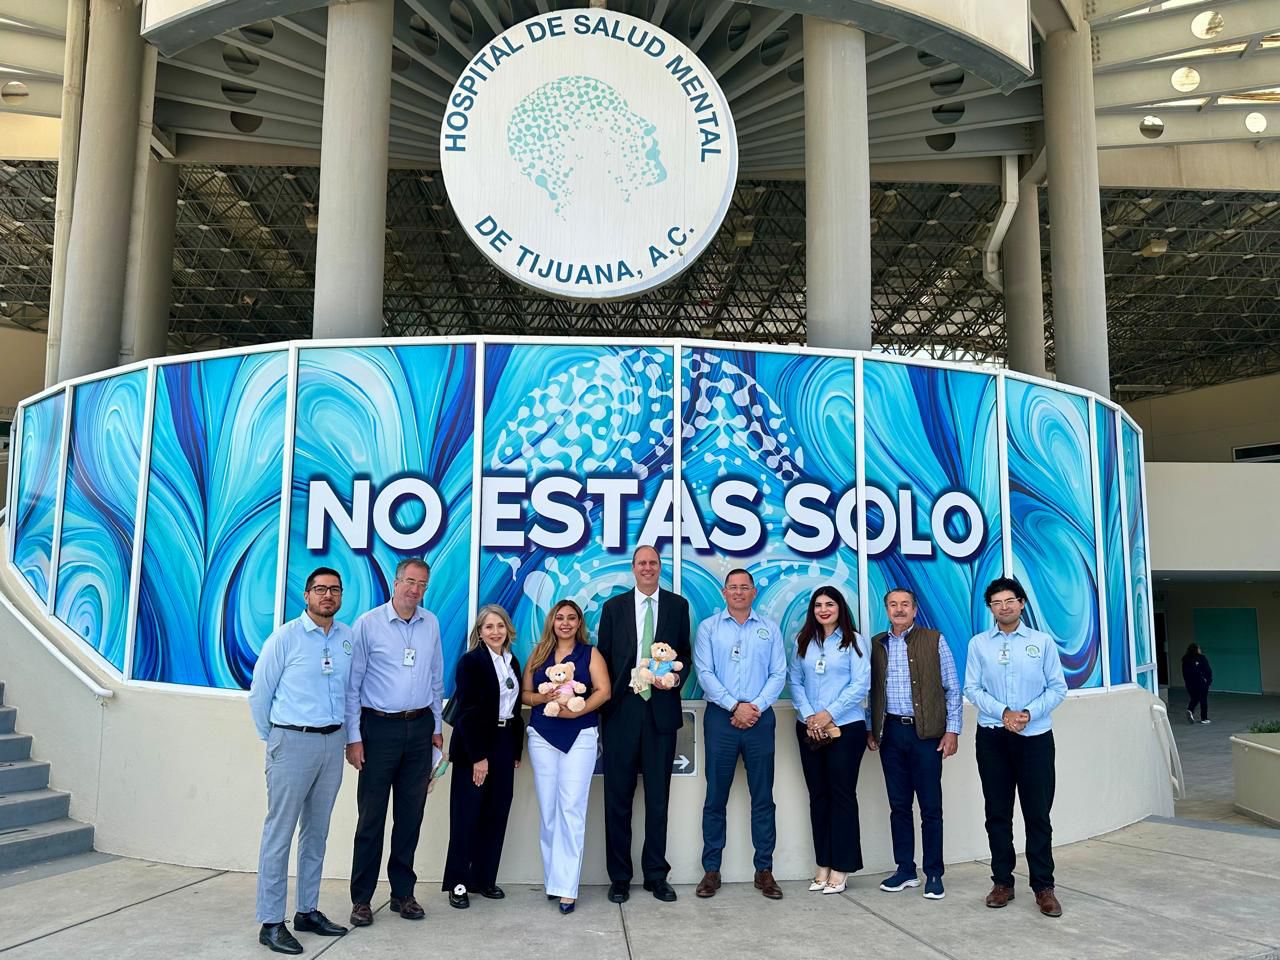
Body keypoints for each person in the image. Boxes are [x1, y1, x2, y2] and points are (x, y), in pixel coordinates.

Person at [248, 567, 353, 955]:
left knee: (316, 833)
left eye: (335, 590)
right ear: (307, 595)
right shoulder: (286, 638)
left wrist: (348, 738)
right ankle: (271, 921)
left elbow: (350, 693)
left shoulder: (346, 639)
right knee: (280, 834)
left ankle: (307, 910)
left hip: (332, 744)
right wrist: (275, 737)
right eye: (321, 589)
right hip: (292, 741)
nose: (328, 595)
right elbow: (260, 694)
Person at [344, 558, 444, 926]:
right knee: (371, 818)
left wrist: (435, 727)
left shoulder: (430, 623)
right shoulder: (367, 625)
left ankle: (404, 893)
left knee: (410, 817)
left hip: (419, 730)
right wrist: (353, 738)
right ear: (396, 582)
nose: (415, 590)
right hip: (377, 730)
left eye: (422, 585)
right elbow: (352, 686)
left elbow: (436, 677)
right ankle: (361, 899)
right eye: (410, 582)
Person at [964, 577, 1068, 918]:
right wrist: (1004, 713)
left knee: (1038, 814)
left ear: (1021, 603)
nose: (1004, 607)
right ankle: (1002, 883)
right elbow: (972, 688)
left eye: (1010, 600)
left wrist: (1028, 714)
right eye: (997, 602)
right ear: (990, 608)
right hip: (993, 737)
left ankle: (1043, 887)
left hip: (1035, 737)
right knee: (997, 813)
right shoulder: (979, 644)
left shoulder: (1042, 642)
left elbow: (1057, 688)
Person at [596, 545, 691, 904]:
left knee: (658, 800)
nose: (648, 568)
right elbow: (603, 658)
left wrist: (673, 680)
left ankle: (656, 875)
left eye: (653, 563)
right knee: (617, 799)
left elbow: (684, 654)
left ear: (659, 567)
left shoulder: (678, 606)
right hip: (622, 712)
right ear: (633, 568)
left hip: (661, 712)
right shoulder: (614, 608)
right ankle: (619, 877)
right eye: (642, 563)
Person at [693, 568, 787, 900]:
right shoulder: (708, 628)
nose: (738, 592)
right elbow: (704, 672)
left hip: (760, 720)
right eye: (732, 587)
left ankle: (764, 870)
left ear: (753, 592)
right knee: (715, 797)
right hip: (721, 719)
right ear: (724, 592)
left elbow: (779, 674)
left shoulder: (769, 629)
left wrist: (754, 707)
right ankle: (711, 870)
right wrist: (735, 707)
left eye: (744, 587)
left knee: (763, 798)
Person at [867, 587, 962, 901]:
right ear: (887, 609)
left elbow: (952, 688)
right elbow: (870, 692)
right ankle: (905, 869)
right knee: (898, 806)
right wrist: (872, 729)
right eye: (893, 605)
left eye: (904, 604)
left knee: (931, 807)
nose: (899, 609)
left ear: (914, 610)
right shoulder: (877, 644)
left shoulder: (935, 640)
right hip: (891, 733)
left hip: (926, 735)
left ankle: (933, 873)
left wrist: (952, 731)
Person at [521, 599, 612, 915]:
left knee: (571, 808)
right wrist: (542, 698)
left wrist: (580, 712)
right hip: (543, 736)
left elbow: (604, 691)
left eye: (571, 618)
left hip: (580, 735)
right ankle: (553, 880)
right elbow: (525, 695)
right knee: (549, 810)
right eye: (560, 618)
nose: (565, 623)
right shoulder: (539, 654)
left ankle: (567, 889)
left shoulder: (590, 653)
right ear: (552, 621)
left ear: (579, 623)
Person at [788, 586, 871, 896]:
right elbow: (794, 681)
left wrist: (828, 714)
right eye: (818, 605)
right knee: (818, 796)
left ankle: (842, 866)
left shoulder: (854, 642)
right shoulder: (803, 641)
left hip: (845, 728)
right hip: (809, 728)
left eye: (830, 604)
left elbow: (860, 684)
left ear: (840, 608)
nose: (824, 609)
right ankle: (823, 863)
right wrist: (811, 717)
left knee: (842, 796)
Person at [441, 605, 525, 909]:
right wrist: (478, 757)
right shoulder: (471, 662)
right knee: (467, 815)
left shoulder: (512, 662)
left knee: (496, 812)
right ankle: (459, 883)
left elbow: (514, 711)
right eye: (489, 627)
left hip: (504, 741)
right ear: (480, 632)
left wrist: (515, 749)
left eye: (500, 626)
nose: (495, 632)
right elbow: (467, 713)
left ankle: (484, 879)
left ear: (508, 630)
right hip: (475, 745)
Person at [1182, 643, 1213, 724]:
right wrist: (1209, 680)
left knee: (1195, 698)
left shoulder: (1185, 659)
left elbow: (1184, 673)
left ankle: (1190, 710)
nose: (1200, 650)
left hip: (1190, 683)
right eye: (1199, 648)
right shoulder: (1201, 658)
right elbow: (1207, 670)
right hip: (1201, 682)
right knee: (1203, 699)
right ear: (1196, 649)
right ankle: (1204, 718)